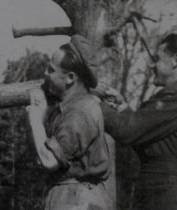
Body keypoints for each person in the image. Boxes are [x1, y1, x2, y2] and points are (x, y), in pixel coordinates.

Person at [26, 34, 111, 210]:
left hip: (78, 199)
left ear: (70, 78)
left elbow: (49, 160)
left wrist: (35, 117)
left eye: (51, 70)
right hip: (70, 196)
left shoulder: (81, 112)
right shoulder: (68, 108)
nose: (45, 74)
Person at [100, 33, 177, 210]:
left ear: (175, 60)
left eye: (157, 59)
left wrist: (94, 104)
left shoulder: (174, 98)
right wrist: (122, 107)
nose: (152, 65)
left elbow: (127, 131)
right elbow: (149, 139)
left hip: (164, 196)